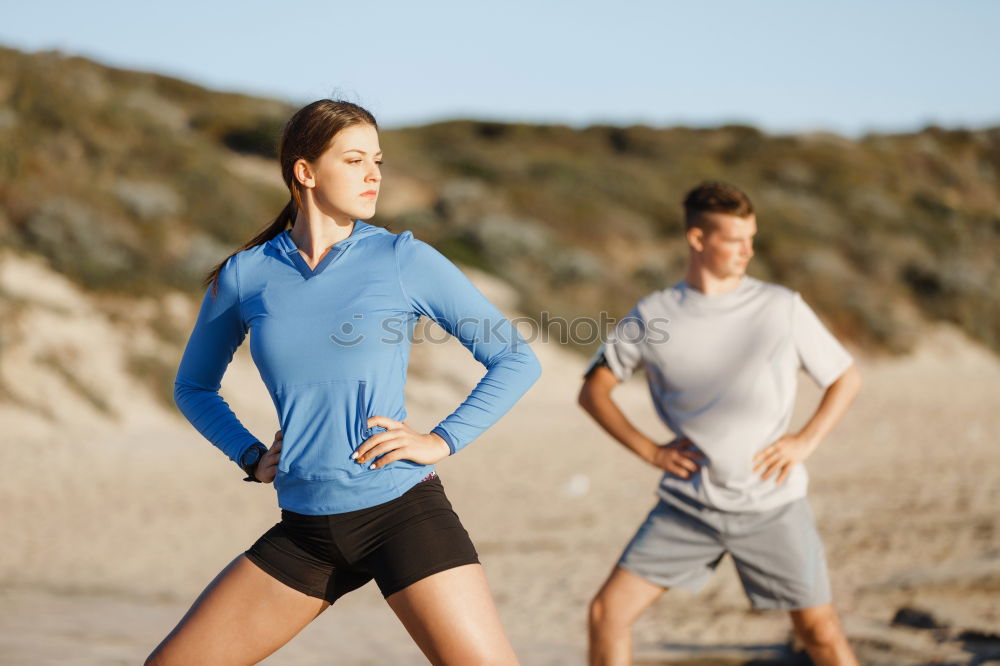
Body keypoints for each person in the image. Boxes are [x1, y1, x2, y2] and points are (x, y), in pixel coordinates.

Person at [146, 99, 541, 665]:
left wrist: (440, 439)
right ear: (304, 172)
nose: (373, 174)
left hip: (401, 514)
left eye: (377, 160)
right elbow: (193, 387)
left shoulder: (403, 259)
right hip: (306, 531)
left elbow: (515, 359)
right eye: (354, 160)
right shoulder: (247, 274)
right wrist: (249, 454)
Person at [579, 181, 862, 666]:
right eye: (735, 239)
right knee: (607, 614)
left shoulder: (781, 306)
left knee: (820, 631)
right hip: (689, 506)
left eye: (752, 238)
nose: (748, 251)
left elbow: (845, 377)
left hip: (773, 502)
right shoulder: (653, 315)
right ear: (697, 239)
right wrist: (651, 451)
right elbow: (594, 390)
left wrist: (803, 442)